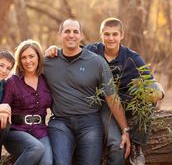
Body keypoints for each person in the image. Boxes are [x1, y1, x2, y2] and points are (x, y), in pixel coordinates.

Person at [45, 17, 164, 165]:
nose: (111, 38)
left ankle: (137, 145)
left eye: (115, 34)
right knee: (116, 144)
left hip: (124, 102)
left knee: (150, 97)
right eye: (107, 34)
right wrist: (53, 48)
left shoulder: (132, 58)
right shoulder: (92, 51)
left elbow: (150, 84)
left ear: (122, 35)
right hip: (103, 105)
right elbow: (73, 48)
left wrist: (158, 91)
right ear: (101, 35)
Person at [44, 18, 130, 165]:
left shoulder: (96, 62)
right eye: (67, 31)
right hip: (60, 122)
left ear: (81, 35)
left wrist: (125, 130)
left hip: (89, 122)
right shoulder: (47, 61)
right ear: (60, 34)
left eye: (75, 31)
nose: (71, 35)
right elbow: (23, 75)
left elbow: (111, 97)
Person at [2, 39, 53, 165]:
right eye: (24, 57)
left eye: (31, 56)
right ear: (19, 60)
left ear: (39, 57)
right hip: (16, 132)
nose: (28, 61)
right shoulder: (12, 82)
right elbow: (4, 106)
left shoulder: (46, 79)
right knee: (36, 148)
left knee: (47, 163)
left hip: (40, 130)